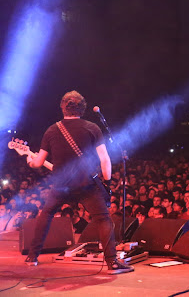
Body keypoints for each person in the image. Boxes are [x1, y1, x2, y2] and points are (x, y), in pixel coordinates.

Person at [24, 91, 133, 274]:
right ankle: (112, 263)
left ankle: (32, 257)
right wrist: (107, 183)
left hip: (61, 186)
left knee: (46, 215)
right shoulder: (92, 128)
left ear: (62, 107)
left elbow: (38, 162)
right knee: (103, 219)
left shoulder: (51, 130)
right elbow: (104, 159)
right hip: (87, 185)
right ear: (83, 108)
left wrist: (29, 159)